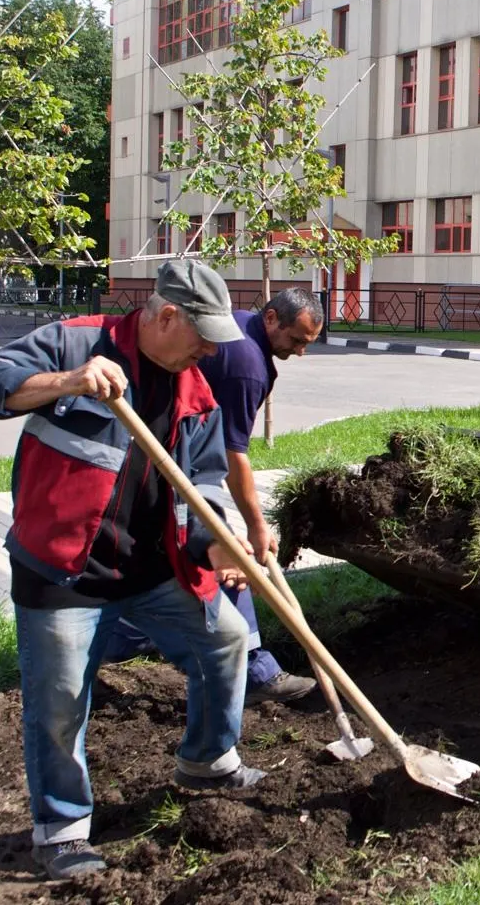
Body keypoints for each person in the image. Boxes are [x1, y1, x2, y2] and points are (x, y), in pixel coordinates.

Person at [0, 260, 266, 881]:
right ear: (166, 315)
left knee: (227, 641)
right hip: (65, 571)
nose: (207, 350)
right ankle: (63, 831)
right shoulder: (77, 342)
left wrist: (218, 544)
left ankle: (206, 759)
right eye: (201, 336)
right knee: (61, 700)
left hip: (153, 571)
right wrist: (67, 381)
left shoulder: (196, 391)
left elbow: (200, 488)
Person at [102, 289, 326, 705]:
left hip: (164, 460)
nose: (299, 353)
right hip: (173, 467)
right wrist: (256, 527)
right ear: (272, 319)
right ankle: (257, 671)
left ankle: (111, 645)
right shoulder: (247, 367)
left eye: (306, 345)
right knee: (227, 557)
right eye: (296, 341)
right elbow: (231, 453)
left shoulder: (241, 326)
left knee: (169, 561)